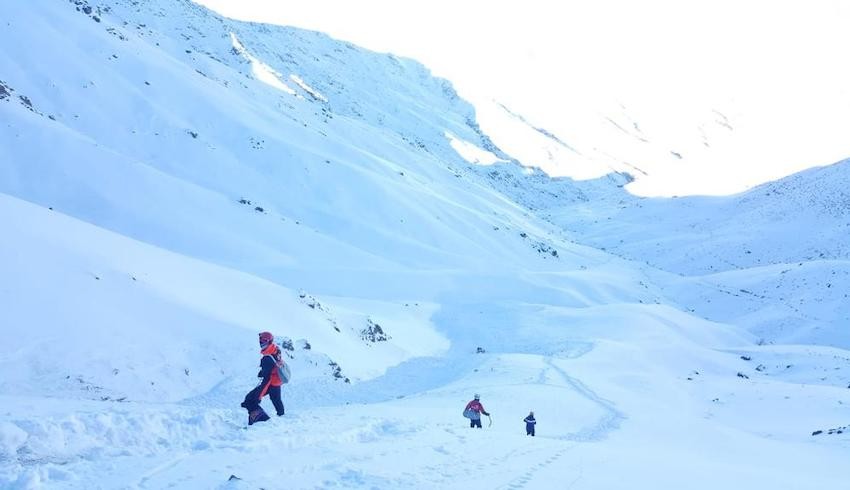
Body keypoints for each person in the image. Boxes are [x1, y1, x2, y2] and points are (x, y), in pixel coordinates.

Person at [240, 331, 285, 425]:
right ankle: (282, 417)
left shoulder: (267, 358)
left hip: (271, 381)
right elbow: (275, 364)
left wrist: (259, 396)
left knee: (250, 399)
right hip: (277, 380)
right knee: (275, 399)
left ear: (269, 341)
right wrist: (264, 371)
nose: (261, 342)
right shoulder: (275, 349)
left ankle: (262, 422)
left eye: (264, 340)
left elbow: (267, 380)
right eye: (260, 340)